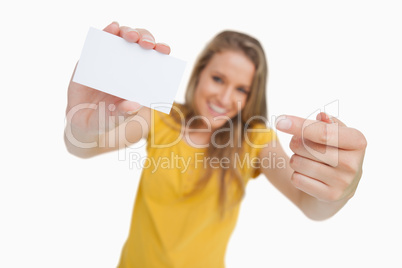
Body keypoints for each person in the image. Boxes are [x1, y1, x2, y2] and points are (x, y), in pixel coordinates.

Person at [64, 21, 367, 268]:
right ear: (199, 73)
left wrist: (340, 191)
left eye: (241, 89)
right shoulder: (160, 116)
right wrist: (82, 127)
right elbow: (85, 147)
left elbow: (310, 205)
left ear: (251, 96)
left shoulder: (254, 139)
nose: (224, 98)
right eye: (218, 79)